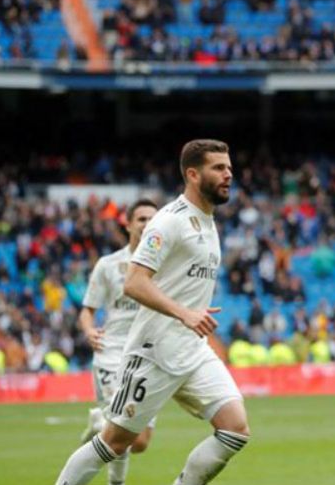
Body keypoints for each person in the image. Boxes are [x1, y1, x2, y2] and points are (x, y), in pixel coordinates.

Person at [55, 139, 249, 485]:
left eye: (229, 168)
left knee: (235, 430)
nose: (228, 174)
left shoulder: (208, 221)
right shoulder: (168, 222)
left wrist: (192, 317)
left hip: (192, 350)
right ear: (192, 173)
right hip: (154, 352)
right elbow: (134, 282)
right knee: (115, 442)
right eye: (218, 168)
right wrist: (184, 314)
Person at [76, 198, 158, 485]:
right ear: (128, 224)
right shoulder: (108, 265)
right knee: (122, 433)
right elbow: (87, 310)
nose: (148, 224)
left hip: (148, 357)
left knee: (141, 442)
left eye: (152, 219)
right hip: (111, 355)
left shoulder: (167, 266)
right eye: (142, 219)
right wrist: (88, 330)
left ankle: (98, 423)